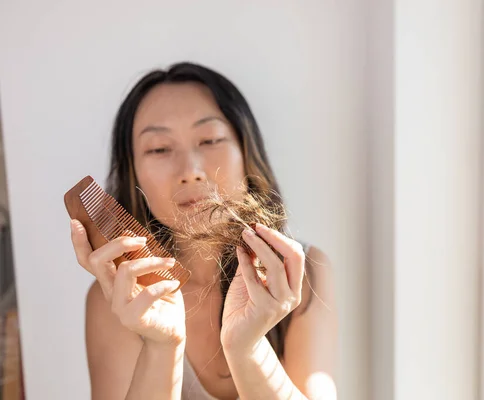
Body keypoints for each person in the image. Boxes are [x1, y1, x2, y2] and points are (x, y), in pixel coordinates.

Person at [69, 62, 337, 400]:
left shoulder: (303, 270)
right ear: (133, 173)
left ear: (246, 153)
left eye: (210, 139)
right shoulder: (119, 297)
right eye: (159, 149)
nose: (190, 170)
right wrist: (161, 346)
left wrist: (247, 348)